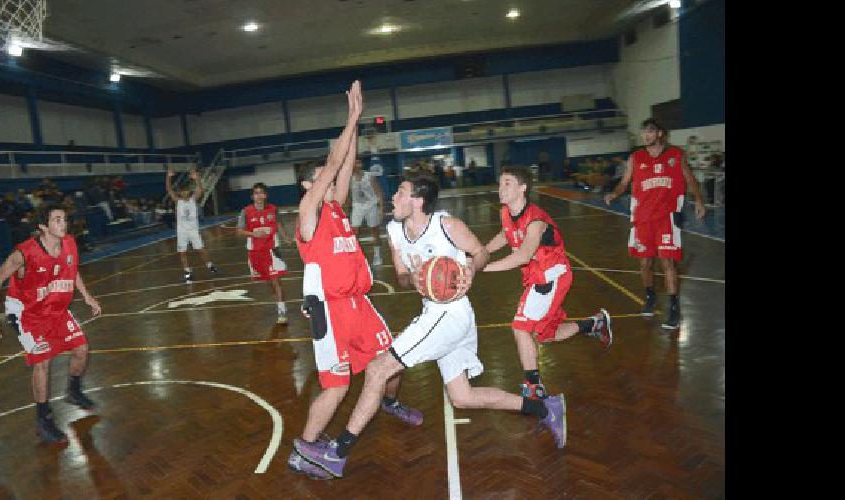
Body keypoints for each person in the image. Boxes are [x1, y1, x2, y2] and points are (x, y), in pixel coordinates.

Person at [296, 171, 570, 478]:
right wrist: (410, 279)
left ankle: (338, 453)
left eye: (400, 192)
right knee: (463, 397)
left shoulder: (446, 225)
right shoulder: (394, 231)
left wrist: (469, 271)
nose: (393, 198)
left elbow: (479, 252)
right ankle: (545, 408)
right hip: (436, 313)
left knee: (378, 369)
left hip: (450, 313)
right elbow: (401, 276)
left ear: (417, 200)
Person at [288, 81, 422, 480]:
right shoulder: (308, 209)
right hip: (329, 311)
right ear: (306, 186)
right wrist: (349, 119)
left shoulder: (335, 207)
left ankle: (389, 403)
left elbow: (344, 166)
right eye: (320, 178)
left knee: (392, 364)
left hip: (359, 304)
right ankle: (306, 447)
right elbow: (334, 164)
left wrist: (358, 125)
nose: (329, 181)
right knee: (337, 387)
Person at [480, 165, 613, 442]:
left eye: (506, 183)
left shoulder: (535, 220)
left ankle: (534, 388)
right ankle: (594, 323)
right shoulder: (507, 212)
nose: (500, 188)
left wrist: (481, 268)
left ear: (522, 188)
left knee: (520, 328)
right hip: (537, 277)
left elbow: (523, 255)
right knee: (546, 335)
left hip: (550, 276)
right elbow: (506, 235)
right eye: (500, 183)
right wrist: (480, 253)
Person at [0, 204, 103, 444]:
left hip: (55, 309)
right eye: (57, 220)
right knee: (42, 361)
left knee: (81, 349)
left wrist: (86, 296)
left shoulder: (69, 243)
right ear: (43, 226)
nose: (63, 224)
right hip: (26, 314)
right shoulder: (24, 254)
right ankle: (43, 419)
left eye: (64, 219)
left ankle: (73, 391)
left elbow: (72, 268)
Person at [604, 118, 706, 329]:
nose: (646, 135)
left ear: (659, 133)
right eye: (644, 132)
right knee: (645, 263)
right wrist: (614, 193)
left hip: (667, 218)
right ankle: (650, 296)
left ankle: (674, 309)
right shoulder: (636, 157)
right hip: (642, 218)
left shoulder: (675, 155)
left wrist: (698, 200)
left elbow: (689, 179)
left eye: (650, 132)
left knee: (667, 262)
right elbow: (624, 182)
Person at [236, 182, 290, 324]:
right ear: (252, 196)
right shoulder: (246, 211)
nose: (258, 195)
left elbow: (278, 223)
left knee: (276, 280)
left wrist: (285, 237)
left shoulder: (273, 209)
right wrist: (254, 234)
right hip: (255, 251)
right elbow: (239, 231)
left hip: (272, 249)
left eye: (261, 192)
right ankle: (279, 303)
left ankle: (282, 310)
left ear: (265, 195)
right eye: (255, 193)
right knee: (270, 282)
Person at [166, 169, 218, 283]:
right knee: (182, 252)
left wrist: (197, 178)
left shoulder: (193, 199)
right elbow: (169, 190)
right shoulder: (177, 201)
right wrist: (168, 177)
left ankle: (210, 265)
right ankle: (187, 271)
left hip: (193, 231)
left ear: (189, 191)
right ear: (180, 192)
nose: (184, 193)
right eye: (182, 191)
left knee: (200, 250)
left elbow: (200, 190)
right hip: (182, 232)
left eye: (186, 191)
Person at [347, 157, 386, 266]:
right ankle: (356, 256)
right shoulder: (349, 178)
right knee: (354, 233)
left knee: (375, 231)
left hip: (371, 205)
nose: (358, 164)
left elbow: (379, 192)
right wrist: (347, 208)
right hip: (357, 206)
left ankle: (377, 255)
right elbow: (349, 195)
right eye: (355, 162)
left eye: (359, 162)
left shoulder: (369, 176)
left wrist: (381, 208)